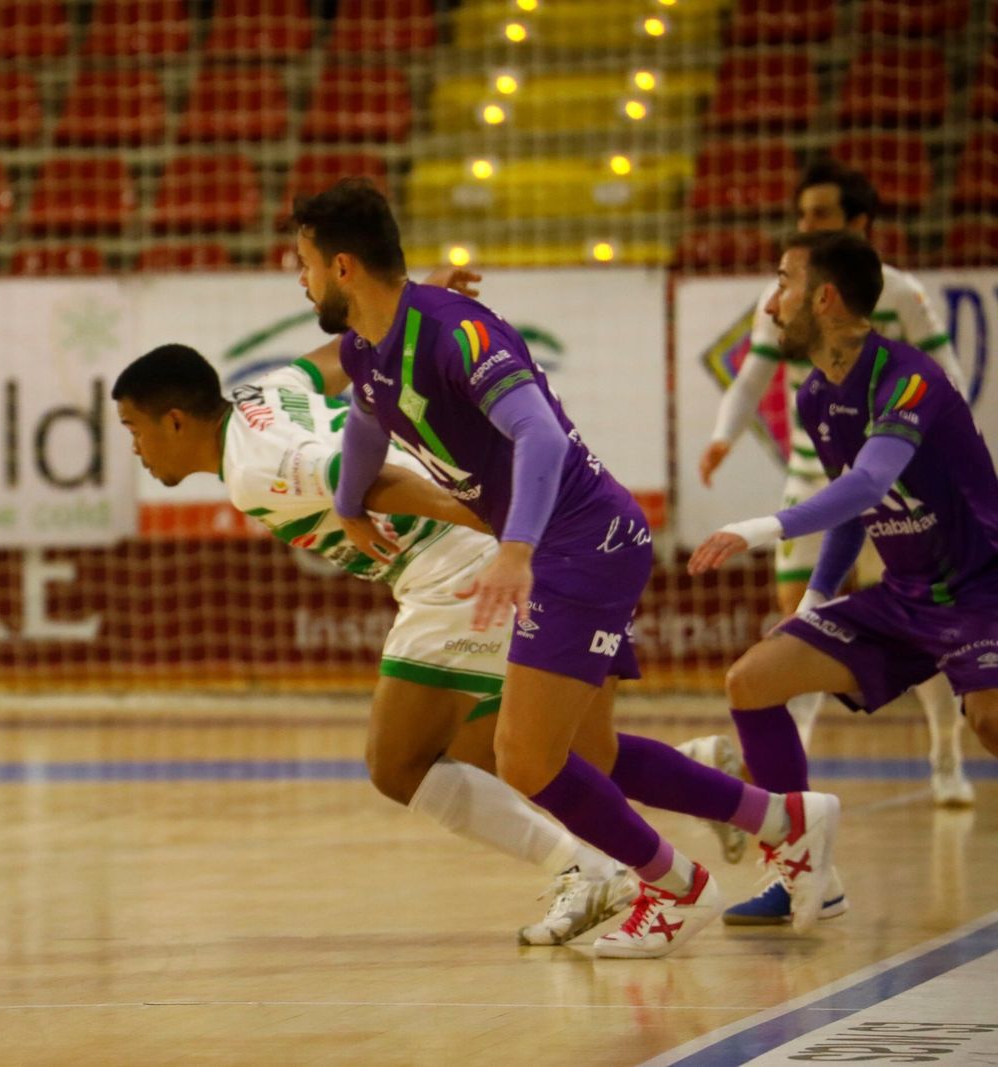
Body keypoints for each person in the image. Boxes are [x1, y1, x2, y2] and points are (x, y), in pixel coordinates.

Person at [292, 177, 841, 958]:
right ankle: (788, 819)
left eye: (304, 262)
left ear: (342, 266)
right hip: (563, 545)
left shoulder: (456, 332)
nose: (299, 278)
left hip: (582, 541)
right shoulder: (364, 347)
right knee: (594, 758)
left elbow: (541, 439)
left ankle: (677, 888)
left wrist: (514, 548)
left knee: (523, 756)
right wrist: (349, 503)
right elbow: (367, 425)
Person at [112, 337, 638, 946]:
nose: (135, 447)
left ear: (174, 420)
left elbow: (372, 476)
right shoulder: (265, 393)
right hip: (456, 562)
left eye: (134, 429)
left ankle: (593, 870)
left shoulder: (253, 472)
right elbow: (339, 356)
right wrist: (405, 318)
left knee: (400, 764)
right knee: (502, 751)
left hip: (453, 570)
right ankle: (701, 788)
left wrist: (493, 520)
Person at [690, 228, 998, 924]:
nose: (771, 303)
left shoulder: (910, 377)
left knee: (988, 718)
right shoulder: (816, 398)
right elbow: (857, 517)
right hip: (906, 597)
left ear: (823, 297)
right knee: (752, 680)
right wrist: (818, 599)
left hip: (983, 588)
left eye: (783, 282)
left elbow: (867, 485)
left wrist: (760, 527)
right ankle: (805, 873)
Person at [692, 160, 972, 810]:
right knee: (802, 622)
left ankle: (945, 754)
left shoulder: (900, 294)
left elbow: (945, 370)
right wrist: (722, 436)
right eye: (801, 215)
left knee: (913, 627)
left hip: (897, 488)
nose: (805, 226)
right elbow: (752, 376)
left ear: (857, 224)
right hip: (812, 482)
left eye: (819, 215)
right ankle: (794, 779)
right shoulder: (784, 296)